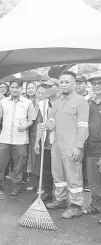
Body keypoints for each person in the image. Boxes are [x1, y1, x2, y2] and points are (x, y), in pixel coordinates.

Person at [40, 71, 89, 219]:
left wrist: (78, 146)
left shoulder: (81, 101)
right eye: (61, 82)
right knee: (58, 174)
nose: (63, 84)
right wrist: (47, 125)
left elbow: (83, 126)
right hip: (56, 144)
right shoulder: (57, 102)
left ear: (74, 84)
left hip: (72, 145)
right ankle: (60, 200)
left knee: (73, 175)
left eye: (67, 82)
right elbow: (53, 122)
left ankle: (76, 206)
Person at [0, 78, 36, 196]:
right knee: (0, 162)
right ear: (9, 88)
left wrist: (25, 126)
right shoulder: (3, 101)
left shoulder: (28, 103)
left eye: (17, 87)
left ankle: (16, 186)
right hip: (4, 138)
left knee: (19, 164)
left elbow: (31, 120)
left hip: (20, 139)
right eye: (12, 87)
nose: (14, 89)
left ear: (21, 89)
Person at [32, 79, 59, 202]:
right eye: (46, 86)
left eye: (50, 86)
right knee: (46, 169)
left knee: (59, 171)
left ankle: (61, 197)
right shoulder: (43, 104)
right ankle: (48, 192)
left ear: (57, 87)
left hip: (60, 142)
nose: (47, 89)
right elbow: (39, 123)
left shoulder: (63, 102)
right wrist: (37, 141)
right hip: (46, 142)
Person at [83, 72, 101, 219]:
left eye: (99, 83)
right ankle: (95, 205)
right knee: (93, 181)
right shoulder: (88, 102)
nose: (96, 86)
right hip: (90, 148)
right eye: (94, 83)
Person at [75, 74, 92, 192]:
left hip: (89, 132)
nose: (77, 85)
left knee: (86, 157)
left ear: (86, 84)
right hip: (74, 132)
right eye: (76, 83)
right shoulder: (72, 98)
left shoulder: (91, 99)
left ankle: (86, 181)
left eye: (80, 83)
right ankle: (77, 180)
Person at [25, 81, 38, 188]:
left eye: (32, 87)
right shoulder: (23, 100)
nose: (30, 89)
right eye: (28, 88)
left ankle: (35, 182)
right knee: (26, 156)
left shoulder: (39, 101)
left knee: (34, 157)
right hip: (24, 131)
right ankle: (28, 178)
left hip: (34, 131)